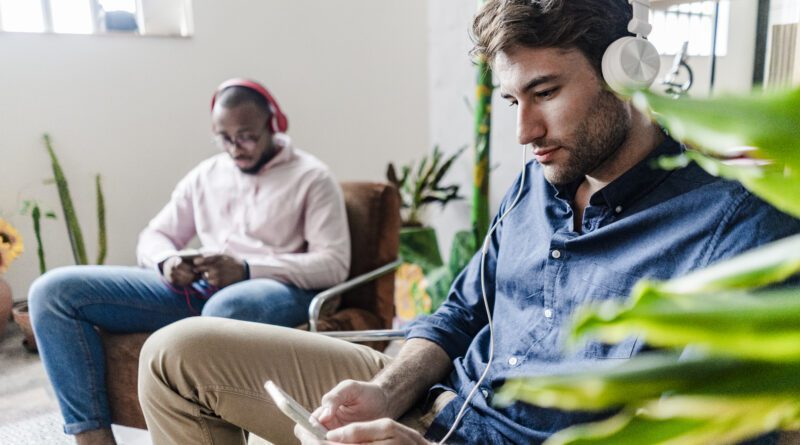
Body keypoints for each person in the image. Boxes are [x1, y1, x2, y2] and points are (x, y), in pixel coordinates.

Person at [137, 1, 800, 444]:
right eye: (514, 98)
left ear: (629, 72)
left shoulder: (736, 224)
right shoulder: (544, 174)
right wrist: (384, 390)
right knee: (176, 354)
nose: (525, 131)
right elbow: (459, 312)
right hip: (438, 400)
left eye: (544, 93)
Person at [28, 79, 350, 445]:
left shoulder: (312, 178)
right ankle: (93, 438)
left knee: (226, 307)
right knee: (52, 292)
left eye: (245, 137)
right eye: (223, 138)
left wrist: (246, 268)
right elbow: (154, 235)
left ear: (274, 125)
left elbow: (333, 263)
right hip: (198, 288)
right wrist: (166, 260)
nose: (234, 149)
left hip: (275, 289)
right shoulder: (206, 175)